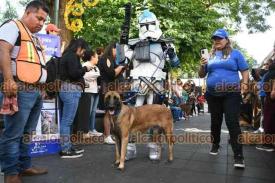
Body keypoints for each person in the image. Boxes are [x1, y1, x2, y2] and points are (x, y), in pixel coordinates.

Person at [0, 1, 49, 182]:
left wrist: (41, 88)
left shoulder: (33, 37)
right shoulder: (13, 26)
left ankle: (25, 166)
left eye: (44, 20)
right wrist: (8, 79)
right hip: (19, 88)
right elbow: (2, 50)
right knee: (13, 134)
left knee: (27, 133)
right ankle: (11, 174)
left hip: (34, 91)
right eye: (39, 18)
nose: (41, 23)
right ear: (27, 12)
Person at [121, 9, 180, 161]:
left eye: (150, 23)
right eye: (144, 24)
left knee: (155, 118)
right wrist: (123, 47)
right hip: (137, 84)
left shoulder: (164, 44)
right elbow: (122, 62)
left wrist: (172, 53)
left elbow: (175, 63)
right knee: (132, 118)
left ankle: (153, 146)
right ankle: (130, 147)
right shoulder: (133, 44)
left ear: (156, 23)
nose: (147, 27)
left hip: (156, 85)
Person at [198, 28, 249, 168]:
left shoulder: (236, 54)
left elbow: (244, 70)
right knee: (215, 122)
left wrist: (245, 83)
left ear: (227, 40)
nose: (217, 41)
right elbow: (201, 75)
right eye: (215, 38)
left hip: (231, 94)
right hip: (212, 94)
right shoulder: (210, 56)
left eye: (220, 38)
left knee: (232, 122)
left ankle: (238, 156)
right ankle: (215, 145)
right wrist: (202, 65)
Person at [59, 38, 92, 158]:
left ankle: (68, 146)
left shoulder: (66, 55)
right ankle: (66, 149)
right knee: (67, 121)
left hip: (66, 88)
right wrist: (85, 69)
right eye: (83, 50)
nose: (83, 53)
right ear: (79, 47)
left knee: (67, 121)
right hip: (71, 89)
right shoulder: (72, 56)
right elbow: (74, 73)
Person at [98, 43, 125, 144]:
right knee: (108, 113)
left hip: (113, 89)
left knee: (113, 113)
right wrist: (121, 67)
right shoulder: (106, 58)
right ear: (112, 49)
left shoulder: (112, 59)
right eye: (116, 51)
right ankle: (107, 135)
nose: (118, 53)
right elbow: (111, 74)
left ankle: (111, 134)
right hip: (108, 89)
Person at [82, 49, 102, 137]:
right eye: (97, 57)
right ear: (92, 57)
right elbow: (85, 77)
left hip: (95, 91)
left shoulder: (96, 67)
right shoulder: (85, 65)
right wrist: (97, 74)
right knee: (88, 111)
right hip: (88, 91)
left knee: (93, 111)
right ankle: (85, 130)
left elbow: (93, 76)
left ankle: (92, 128)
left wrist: (96, 74)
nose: (98, 59)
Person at [256, 58, 275, 152]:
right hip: (267, 95)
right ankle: (268, 142)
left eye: (267, 63)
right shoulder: (267, 72)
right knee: (268, 118)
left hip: (270, 96)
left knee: (269, 119)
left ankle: (268, 144)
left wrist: (274, 89)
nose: (266, 65)